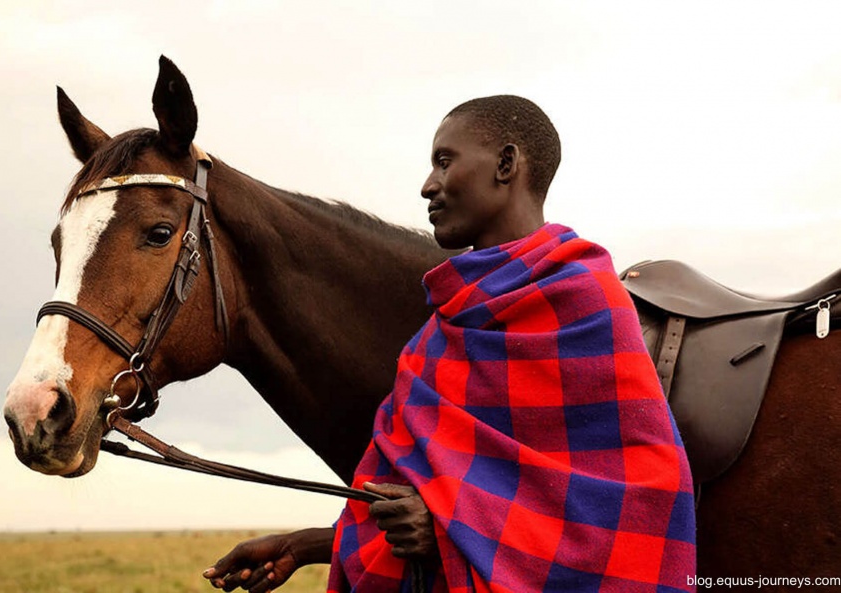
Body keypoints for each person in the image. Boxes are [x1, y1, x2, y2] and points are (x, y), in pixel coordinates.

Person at [202, 96, 696, 592]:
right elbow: (411, 504)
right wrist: (305, 545)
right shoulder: (437, 335)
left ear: (506, 164)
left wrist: (443, 526)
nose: (427, 185)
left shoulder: (584, 303)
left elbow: (640, 505)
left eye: (445, 161)